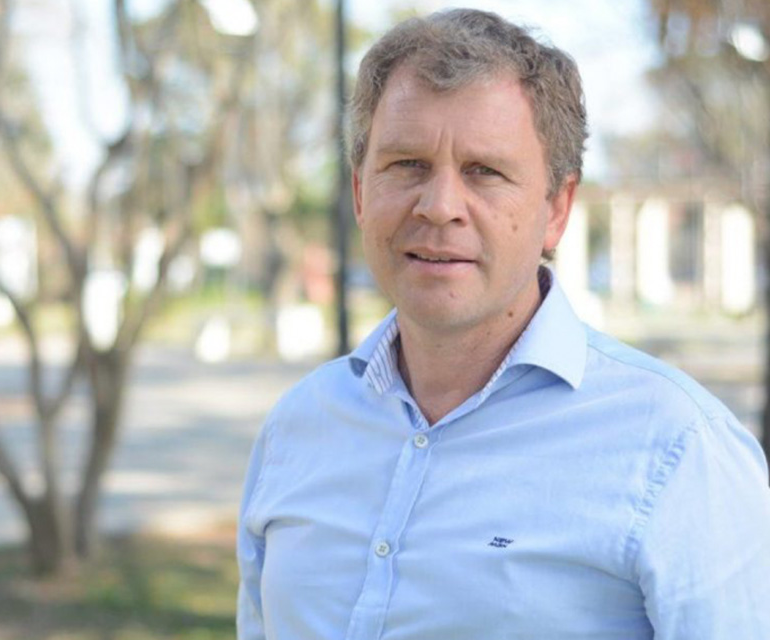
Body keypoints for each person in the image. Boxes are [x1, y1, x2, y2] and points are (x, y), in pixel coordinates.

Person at [236, 8, 770, 640]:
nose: (439, 207)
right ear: (359, 193)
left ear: (557, 209)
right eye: (406, 165)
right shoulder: (297, 428)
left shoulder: (680, 450)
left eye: (484, 171)